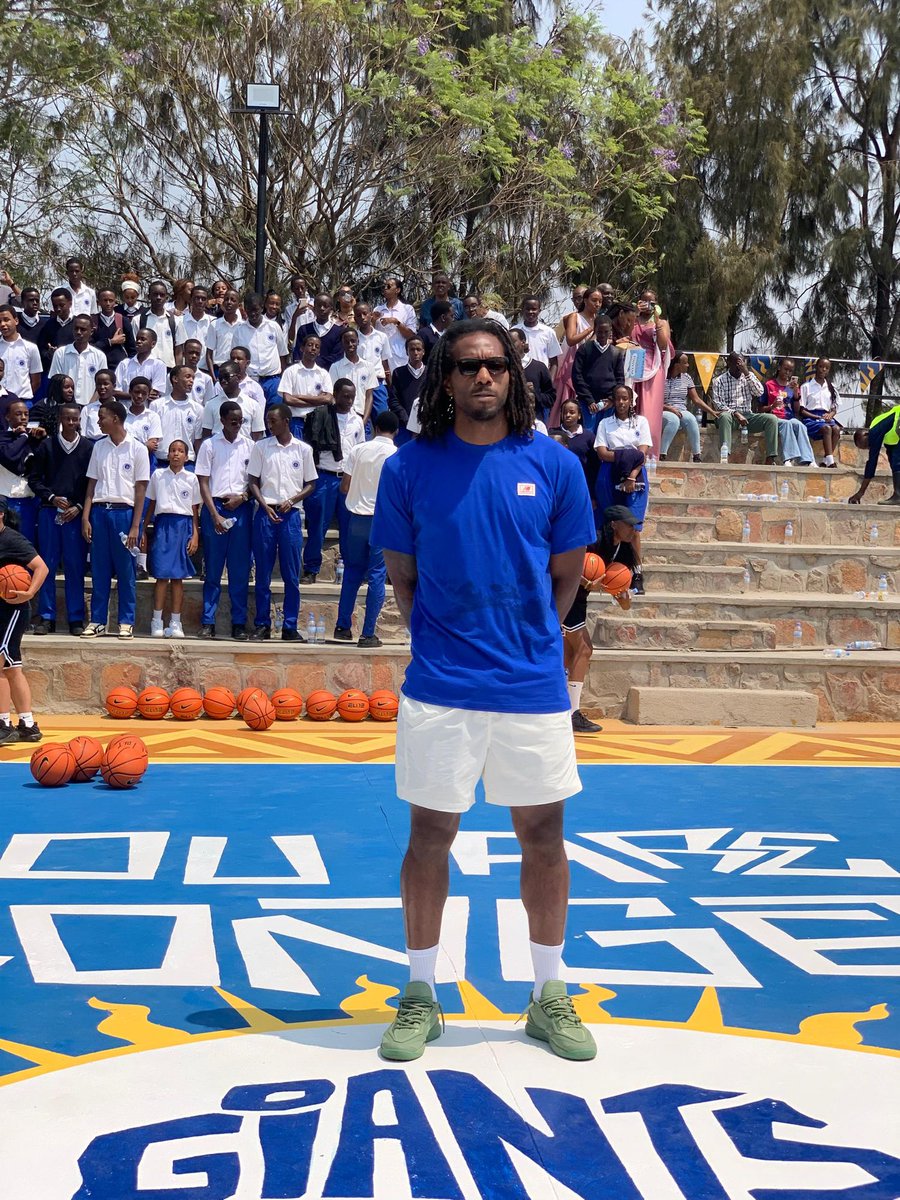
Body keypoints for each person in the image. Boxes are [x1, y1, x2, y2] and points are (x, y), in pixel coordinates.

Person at [371, 317, 597, 1063]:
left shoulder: (556, 466)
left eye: (495, 365)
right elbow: (403, 578)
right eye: (467, 366)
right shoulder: (407, 469)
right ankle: (419, 995)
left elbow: (567, 574)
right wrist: (449, 641)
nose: (483, 377)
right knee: (429, 839)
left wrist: (532, 639)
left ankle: (548, 995)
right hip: (441, 686)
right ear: (444, 379)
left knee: (543, 838)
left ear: (514, 375)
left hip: (531, 686)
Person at [561, 505, 637, 734]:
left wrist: (623, 597)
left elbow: (625, 604)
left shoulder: (623, 552)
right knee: (584, 649)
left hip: (579, 599)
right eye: (629, 524)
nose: (633, 529)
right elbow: (567, 566)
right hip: (566, 593)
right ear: (614, 524)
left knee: (568, 653)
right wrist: (583, 579)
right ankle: (572, 713)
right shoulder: (592, 540)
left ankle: (562, 709)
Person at [248, 404, 318, 641]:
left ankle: (289, 625)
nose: (269, 425)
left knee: (291, 574)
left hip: (290, 515)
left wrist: (293, 499)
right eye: (268, 420)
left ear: (287, 421)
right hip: (266, 512)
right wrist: (264, 504)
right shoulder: (261, 447)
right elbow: (253, 481)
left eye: (273, 420)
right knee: (263, 574)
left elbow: (311, 484)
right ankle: (262, 624)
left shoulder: (303, 449)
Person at [81, 400, 151, 639]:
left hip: (124, 514)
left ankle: (126, 621)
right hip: (100, 512)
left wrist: (135, 525)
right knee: (99, 569)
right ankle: (98, 620)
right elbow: (91, 484)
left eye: (102, 417)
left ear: (116, 419)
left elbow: (141, 490)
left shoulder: (138, 449)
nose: (98, 421)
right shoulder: (99, 447)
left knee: (125, 571)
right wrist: (86, 516)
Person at [26, 400, 91, 636]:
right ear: (60, 420)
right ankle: (46, 617)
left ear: (80, 420)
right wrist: (52, 497)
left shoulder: (87, 448)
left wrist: (78, 505)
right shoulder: (47, 446)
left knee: (75, 566)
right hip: (49, 512)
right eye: (67, 418)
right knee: (47, 565)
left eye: (75, 419)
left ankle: (75, 618)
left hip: (75, 515)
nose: (72, 422)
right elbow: (34, 479)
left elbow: (92, 483)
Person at [335, 410, 398, 647]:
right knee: (377, 577)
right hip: (381, 521)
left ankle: (342, 626)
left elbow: (344, 486)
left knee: (351, 573)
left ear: (373, 427)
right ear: (396, 431)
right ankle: (368, 633)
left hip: (355, 519)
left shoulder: (358, 450)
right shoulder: (396, 454)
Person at [195, 400, 253, 640]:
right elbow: (203, 481)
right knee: (213, 569)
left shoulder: (251, 446)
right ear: (222, 421)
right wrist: (214, 513)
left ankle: (238, 622)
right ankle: (208, 621)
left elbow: (255, 481)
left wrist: (243, 497)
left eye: (240, 421)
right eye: (233, 421)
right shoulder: (209, 445)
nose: (237, 425)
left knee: (239, 570)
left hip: (241, 508)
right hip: (215, 508)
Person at [301, 378, 363, 582]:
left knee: (349, 528)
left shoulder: (357, 421)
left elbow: (359, 452)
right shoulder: (321, 416)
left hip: (347, 479)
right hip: (325, 477)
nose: (349, 400)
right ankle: (311, 569)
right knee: (318, 525)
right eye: (345, 396)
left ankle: (350, 570)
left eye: (352, 397)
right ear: (335, 395)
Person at [0, 497, 49, 745]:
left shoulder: (12, 539)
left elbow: (41, 568)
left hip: (14, 609)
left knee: (2, 662)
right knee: (11, 667)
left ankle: (4, 723)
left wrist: (29, 592)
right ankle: (27, 724)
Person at [593, 385, 651, 593]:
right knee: (610, 524)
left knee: (633, 526)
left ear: (631, 400)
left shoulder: (641, 422)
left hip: (636, 476)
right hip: (609, 475)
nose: (621, 402)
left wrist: (631, 475)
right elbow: (602, 452)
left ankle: (637, 573)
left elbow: (642, 454)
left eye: (625, 398)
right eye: (618, 398)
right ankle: (603, 569)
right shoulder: (605, 423)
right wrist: (626, 456)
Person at [141, 438, 201, 638]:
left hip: (183, 527)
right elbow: (151, 504)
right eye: (172, 450)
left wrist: (195, 535)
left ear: (186, 456)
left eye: (180, 451)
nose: (176, 454)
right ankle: (156, 621)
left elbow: (194, 510)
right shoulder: (158, 475)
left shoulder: (191, 478)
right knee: (161, 576)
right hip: (163, 526)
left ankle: (176, 622)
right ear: (167, 455)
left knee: (177, 578)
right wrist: (142, 529)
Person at [711, 352, 778, 464]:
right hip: (730, 417)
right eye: (737, 363)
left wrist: (746, 373)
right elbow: (718, 405)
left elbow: (759, 392)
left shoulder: (748, 376)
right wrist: (735, 413)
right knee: (724, 416)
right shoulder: (719, 381)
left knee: (771, 419)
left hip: (748, 416)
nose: (739, 366)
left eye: (741, 363)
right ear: (729, 363)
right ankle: (725, 457)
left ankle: (770, 458)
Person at [631, 289, 672, 454]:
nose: (648, 305)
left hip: (653, 368)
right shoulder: (632, 320)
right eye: (644, 301)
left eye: (652, 302)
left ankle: (649, 454)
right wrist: (634, 314)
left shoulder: (662, 322)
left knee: (649, 411)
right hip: (633, 365)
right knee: (631, 407)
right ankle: (630, 449)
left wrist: (656, 320)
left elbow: (663, 345)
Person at [568, 314, 625, 432]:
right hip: (587, 404)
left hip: (607, 405)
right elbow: (577, 376)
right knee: (589, 434)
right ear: (595, 330)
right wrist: (589, 400)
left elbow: (620, 379)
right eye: (599, 332)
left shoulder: (616, 353)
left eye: (606, 332)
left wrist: (611, 399)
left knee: (606, 434)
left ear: (610, 331)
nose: (603, 335)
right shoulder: (585, 349)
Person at [0, 399, 44, 545]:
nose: (24, 418)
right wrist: (23, 436)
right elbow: (8, 456)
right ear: (7, 417)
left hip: (27, 501)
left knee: (26, 544)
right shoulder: (3, 437)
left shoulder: (34, 438)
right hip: (6, 500)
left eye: (26, 414)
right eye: (18, 414)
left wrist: (41, 439)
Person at [234, 291, 288, 406]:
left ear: (262, 307)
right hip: (250, 381)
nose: (253, 314)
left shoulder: (274, 327)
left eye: (256, 310)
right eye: (249, 310)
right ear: (245, 309)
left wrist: (282, 379)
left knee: (274, 416)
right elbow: (235, 358)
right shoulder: (239, 330)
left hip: (273, 381)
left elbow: (283, 354)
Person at [278, 332, 335, 438]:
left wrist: (298, 396)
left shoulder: (323, 374)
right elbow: (288, 400)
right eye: (310, 345)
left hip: (318, 422)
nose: (313, 348)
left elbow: (328, 399)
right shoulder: (290, 371)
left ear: (319, 352)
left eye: (317, 347)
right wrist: (317, 401)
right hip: (297, 422)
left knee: (316, 454)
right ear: (302, 348)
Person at [761, 358, 815, 466]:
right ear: (779, 368)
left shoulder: (791, 387)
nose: (787, 373)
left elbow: (796, 410)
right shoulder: (769, 384)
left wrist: (795, 394)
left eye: (790, 371)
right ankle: (788, 459)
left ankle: (808, 459)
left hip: (789, 417)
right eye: (785, 369)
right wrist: (772, 406)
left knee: (800, 425)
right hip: (774, 418)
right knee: (787, 424)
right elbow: (760, 408)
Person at [556, 286, 603, 409]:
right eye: (594, 300)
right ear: (585, 300)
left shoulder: (599, 320)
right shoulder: (575, 317)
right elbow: (571, 340)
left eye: (600, 301)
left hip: (590, 366)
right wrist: (590, 329)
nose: (597, 304)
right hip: (572, 364)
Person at [660, 352, 711, 462]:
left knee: (691, 419)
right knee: (673, 420)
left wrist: (712, 412)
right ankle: (662, 454)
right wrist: (669, 408)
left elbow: (696, 400)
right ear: (677, 365)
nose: (688, 365)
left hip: (681, 409)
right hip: (663, 409)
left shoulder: (687, 378)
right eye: (685, 363)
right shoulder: (661, 376)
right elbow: (654, 400)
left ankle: (697, 455)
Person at [48, 314, 107, 408]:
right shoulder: (60, 353)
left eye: (83, 329)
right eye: (76, 329)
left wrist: (89, 407)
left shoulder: (99, 356)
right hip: (65, 407)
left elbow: (101, 385)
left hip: (91, 406)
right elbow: (55, 382)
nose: (79, 332)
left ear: (91, 331)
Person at [850, 404, 900, 505]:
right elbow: (891, 444)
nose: (869, 447)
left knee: (896, 461)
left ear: (865, 434)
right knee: (893, 457)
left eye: (866, 444)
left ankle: (898, 496)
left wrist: (860, 492)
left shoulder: (874, 432)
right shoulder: (879, 427)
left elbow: (872, 463)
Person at [201, 361, 264, 441]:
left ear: (238, 377)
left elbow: (258, 438)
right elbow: (206, 436)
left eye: (227, 376)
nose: (223, 380)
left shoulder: (253, 405)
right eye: (220, 378)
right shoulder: (210, 404)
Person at [153, 366, 203, 467]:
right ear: (175, 379)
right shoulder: (157, 405)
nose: (191, 381)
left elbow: (197, 440)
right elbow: (153, 436)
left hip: (187, 463)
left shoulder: (197, 409)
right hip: (161, 461)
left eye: (193, 378)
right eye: (188, 377)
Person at [552, 398, 599, 500]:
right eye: (564, 412)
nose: (568, 415)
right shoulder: (552, 434)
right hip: (557, 486)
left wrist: (593, 496)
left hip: (582, 485)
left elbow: (595, 467)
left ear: (579, 415)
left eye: (572, 412)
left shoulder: (589, 436)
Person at [798, 357, 842, 467]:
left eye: (826, 368)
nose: (823, 370)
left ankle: (826, 459)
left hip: (826, 417)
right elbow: (802, 410)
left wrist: (830, 415)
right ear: (816, 367)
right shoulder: (806, 387)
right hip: (811, 418)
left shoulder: (831, 388)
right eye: (821, 366)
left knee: (836, 429)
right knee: (827, 428)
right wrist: (817, 417)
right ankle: (830, 460)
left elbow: (834, 407)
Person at [330, 327, 375, 426]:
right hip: (342, 419)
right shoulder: (335, 367)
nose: (350, 344)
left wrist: (364, 421)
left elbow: (369, 396)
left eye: (353, 341)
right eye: (346, 342)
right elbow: (333, 396)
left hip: (362, 417)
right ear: (342, 344)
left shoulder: (368, 367)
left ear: (358, 341)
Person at [135, 281, 184, 369]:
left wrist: (177, 371)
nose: (158, 298)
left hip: (168, 368)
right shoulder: (138, 320)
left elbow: (179, 350)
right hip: (144, 367)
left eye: (162, 295)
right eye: (155, 294)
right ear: (148, 296)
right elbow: (134, 346)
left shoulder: (175, 321)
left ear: (166, 297)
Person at [388, 336, 427, 444]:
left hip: (425, 426)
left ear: (423, 351)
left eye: (418, 349)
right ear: (406, 352)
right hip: (404, 427)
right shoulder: (398, 373)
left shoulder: (430, 373)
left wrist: (422, 422)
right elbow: (394, 400)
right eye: (412, 349)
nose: (415, 353)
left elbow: (434, 398)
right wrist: (408, 421)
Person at [374, 275, 418, 370]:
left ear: (397, 290)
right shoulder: (378, 309)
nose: (385, 289)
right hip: (380, 357)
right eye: (384, 286)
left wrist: (396, 322)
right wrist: (373, 320)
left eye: (388, 286)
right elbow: (371, 332)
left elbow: (411, 335)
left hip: (400, 357)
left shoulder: (407, 309)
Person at [0, 304, 42, 401]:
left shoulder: (31, 348)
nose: (2, 324)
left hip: (22, 401)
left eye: (6, 319)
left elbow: (36, 381)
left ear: (16, 320)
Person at [114, 327, 168, 400]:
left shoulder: (158, 365)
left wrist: (129, 395)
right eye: (137, 339)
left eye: (143, 339)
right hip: (125, 409)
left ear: (153, 344)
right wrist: (140, 396)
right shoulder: (124, 364)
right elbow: (116, 392)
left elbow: (155, 393)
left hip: (147, 409)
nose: (138, 341)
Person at [513, 296, 561, 376]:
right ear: (522, 310)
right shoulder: (514, 331)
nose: (530, 312)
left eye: (534, 309)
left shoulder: (548, 332)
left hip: (541, 377)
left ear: (539, 311)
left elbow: (554, 363)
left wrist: (550, 382)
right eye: (527, 309)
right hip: (519, 376)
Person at [294, 293, 344, 368]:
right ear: (314, 308)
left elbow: (336, 357)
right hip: (305, 373)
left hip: (329, 373)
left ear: (331, 309)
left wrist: (311, 361)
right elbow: (298, 354)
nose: (322, 308)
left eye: (325, 306)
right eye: (319, 305)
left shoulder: (338, 332)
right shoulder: (304, 329)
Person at [92, 288, 135, 370]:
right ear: (98, 303)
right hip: (97, 366)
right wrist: (111, 342)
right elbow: (90, 347)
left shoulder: (123, 320)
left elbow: (132, 349)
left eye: (111, 300)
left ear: (115, 302)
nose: (108, 303)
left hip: (119, 368)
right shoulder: (93, 321)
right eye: (105, 300)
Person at [205, 288, 245, 376]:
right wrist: (213, 377)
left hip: (237, 371)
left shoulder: (243, 326)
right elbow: (209, 354)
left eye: (233, 300)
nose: (229, 302)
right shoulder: (215, 324)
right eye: (226, 299)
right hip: (219, 370)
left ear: (238, 305)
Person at [36, 288, 76, 376]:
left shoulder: (78, 324)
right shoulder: (48, 325)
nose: (58, 309)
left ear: (70, 303)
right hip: (55, 371)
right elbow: (41, 348)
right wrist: (49, 354)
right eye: (55, 306)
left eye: (62, 305)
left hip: (74, 368)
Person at [123, 377, 162, 464]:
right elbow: (119, 442)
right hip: (123, 458)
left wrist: (128, 445)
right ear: (130, 392)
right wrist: (144, 444)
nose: (140, 396)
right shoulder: (122, 415)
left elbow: (152, 445)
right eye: (136, 392)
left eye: (144, 393)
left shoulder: (153, 416)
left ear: (148, 395)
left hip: (146, 458)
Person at [30, 373, 74, 439]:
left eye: (72, 388)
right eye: (66, 387)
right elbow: (32, 431)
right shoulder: (40, 407)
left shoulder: (73, 408)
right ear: (56, 388)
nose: (71, 391)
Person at [179, 287, 214, 366]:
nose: (200, 301)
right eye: (197, 298)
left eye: (203, 299)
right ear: (191, 299)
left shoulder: (213, 322)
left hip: (206, 369)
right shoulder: (179, 321)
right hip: (185, 368)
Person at [80, 368, 117, 440]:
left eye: (106, 384)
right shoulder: (87, 409)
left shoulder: (121, 409)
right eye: (99, 384)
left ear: (114, 386)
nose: (102, 387)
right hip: (92, 445)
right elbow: (82, 433)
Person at [227, 345, 267, 410]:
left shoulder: (255, 387)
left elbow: (259, 412)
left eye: (239, 359)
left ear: (247, 363)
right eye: (232, 358)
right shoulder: (221, 385)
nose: (235, 361)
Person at [284, 274, 313, 345]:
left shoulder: (314, 304)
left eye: (302, 288)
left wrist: (314, 310)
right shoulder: (289, 309)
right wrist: (295, 316)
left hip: (314, 345)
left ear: (306, 288)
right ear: (292, 290)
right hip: (298, 346)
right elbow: (290, 337)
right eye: (297, 288)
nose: (300, 291)